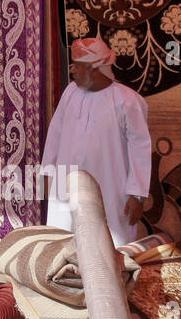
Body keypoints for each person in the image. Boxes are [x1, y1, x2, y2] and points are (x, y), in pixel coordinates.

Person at [40, 37, 152, 246]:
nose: (72, 70)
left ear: (95, 69)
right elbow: (55, 133)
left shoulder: (128, 101)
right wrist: (47, 172)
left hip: (110, 188)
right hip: (66, 187)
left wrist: (137, 195)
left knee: (110, 246)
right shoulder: (70, 93)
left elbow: (140, 148)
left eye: (78, 66)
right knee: (62, 241)